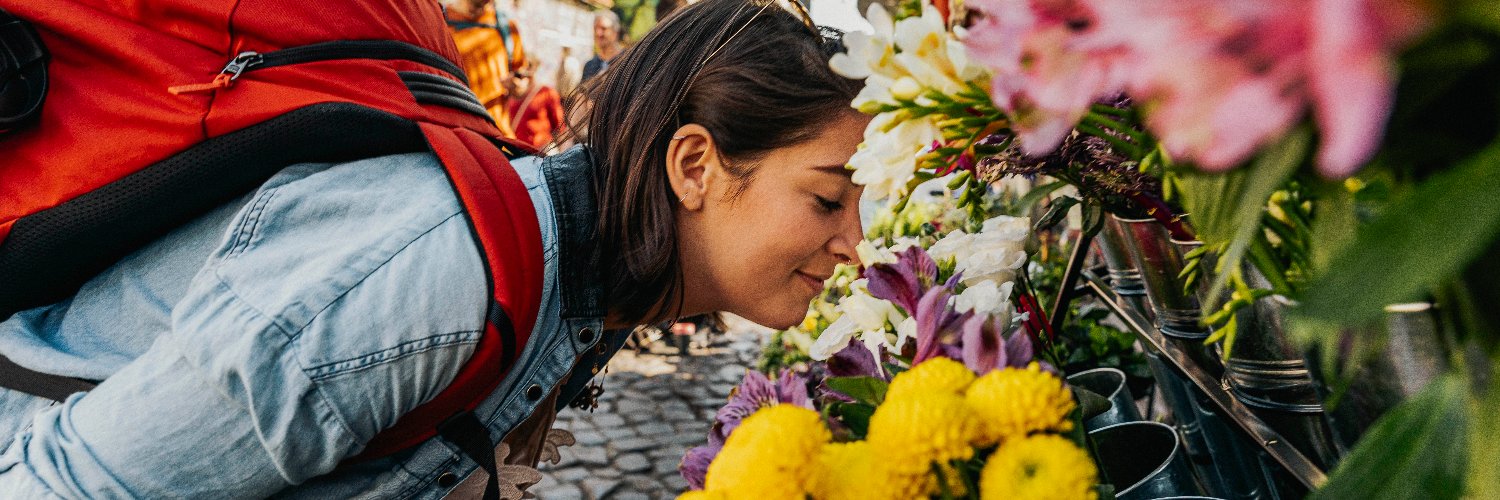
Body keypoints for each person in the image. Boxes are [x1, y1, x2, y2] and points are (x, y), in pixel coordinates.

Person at [0, 0, 866, 497]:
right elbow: (66, 487)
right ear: (695, 165)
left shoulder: (573, 294)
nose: (857, 248)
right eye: (828, 198)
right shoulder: (440, 273)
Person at [445, 0, 527, 130]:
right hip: (448, 130)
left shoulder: (507, 28)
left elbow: (522, 81)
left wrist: (517, 86)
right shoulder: (439, 21)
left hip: (494, 133)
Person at [504, 62, 567, 151]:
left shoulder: (546, 92)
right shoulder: (506, 96)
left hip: (543, 149)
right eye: (514, 74)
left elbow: (560, 126)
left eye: (520, 75)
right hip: (519, 151)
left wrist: (563, 152)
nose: (517, 80)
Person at [579, 10, 622, 83]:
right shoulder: (589, 66)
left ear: (615, 32)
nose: (598, 33)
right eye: (595, 28)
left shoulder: (625, 62)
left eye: (603, 28)